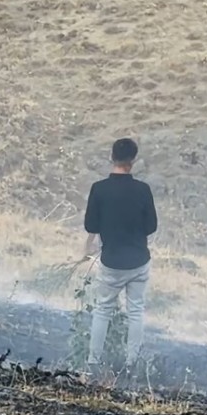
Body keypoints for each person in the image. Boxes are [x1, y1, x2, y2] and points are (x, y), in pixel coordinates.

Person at [81, 137, 158, 377]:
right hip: (138, 261)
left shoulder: (99, 189)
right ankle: (132, 364)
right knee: (135, 311)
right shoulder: (143, 190)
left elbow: (90, 224)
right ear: (133, 161)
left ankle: (93, 363)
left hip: (111, 261)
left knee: (103, 310)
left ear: (111, 157)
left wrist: (90, 247)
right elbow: (151, 227)